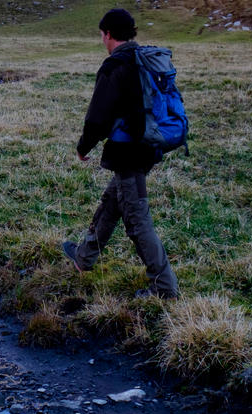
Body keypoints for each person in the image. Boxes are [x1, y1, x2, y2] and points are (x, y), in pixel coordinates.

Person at [62, 8, 179, 300]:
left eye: (102, 35)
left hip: (129, 152)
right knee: (112, 201)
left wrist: (82, 148)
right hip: (150, 146)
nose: (102, 40)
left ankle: (165, 288)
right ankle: (84, 257)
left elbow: (98, 117)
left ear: (109, 34)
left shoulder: (115, 66)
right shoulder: (144, 59)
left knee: (136, 219)